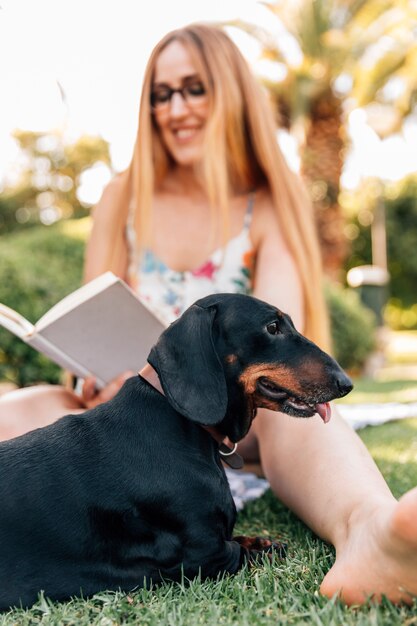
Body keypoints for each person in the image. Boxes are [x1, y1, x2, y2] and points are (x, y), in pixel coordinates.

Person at [1, 23, 417, 606]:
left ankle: (369, 531)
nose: (176, 109)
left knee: (286, 416)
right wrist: (92, 378)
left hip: (234, 424)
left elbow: (279, 347)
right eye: (161, 94)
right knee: (25, 406)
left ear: (230, 95)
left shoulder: (268, 203)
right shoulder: (122, 195)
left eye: (194, 89)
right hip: (127, 416)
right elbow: (92, 311)